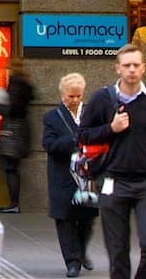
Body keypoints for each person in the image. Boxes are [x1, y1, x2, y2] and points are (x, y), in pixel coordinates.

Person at [77, 44, 146, 279]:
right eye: (127, 66)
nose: (132, 70)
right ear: (118, 69)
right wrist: (111, 128)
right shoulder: (102, 99)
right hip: (114, 181)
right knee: (118, 252)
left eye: (136, 65)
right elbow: (82, 135)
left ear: (144, 68)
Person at [44, 73, 99, 278]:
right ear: (62, 95)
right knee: (65, 219)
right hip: (62, 175)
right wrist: (75, 140)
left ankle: (82, 250)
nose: (75, 100)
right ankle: (72, 261)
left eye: (78, 96)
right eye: (70, 96)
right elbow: (48, 144)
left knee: (88, 217)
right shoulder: (52, 117)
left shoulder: (91, 113)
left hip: (87, 175)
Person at [0, 63, 36, 214]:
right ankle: (13, 202)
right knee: (12, 167)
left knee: (10, 168)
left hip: (12, 131)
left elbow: (10, 108)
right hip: (21, 130)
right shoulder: (25, 84)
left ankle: (13, 203)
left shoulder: (15, 84)